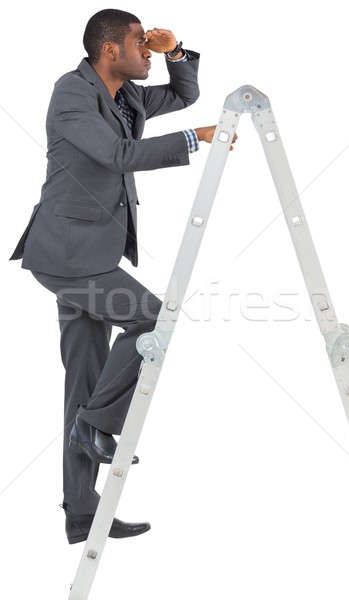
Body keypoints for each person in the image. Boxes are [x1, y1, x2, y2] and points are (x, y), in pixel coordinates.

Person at [10, 9, 234, 545]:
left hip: (90, 251)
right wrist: (195, 141)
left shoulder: (126, 96)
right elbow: (116, 154)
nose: (147, 51)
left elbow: (183, 95)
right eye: (140, 42)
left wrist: (176, 50)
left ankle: (83, 513)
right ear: (110, 50)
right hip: (66, 254)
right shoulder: (71, 93)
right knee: (153, 319)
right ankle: (94, 427)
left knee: (84, 380)